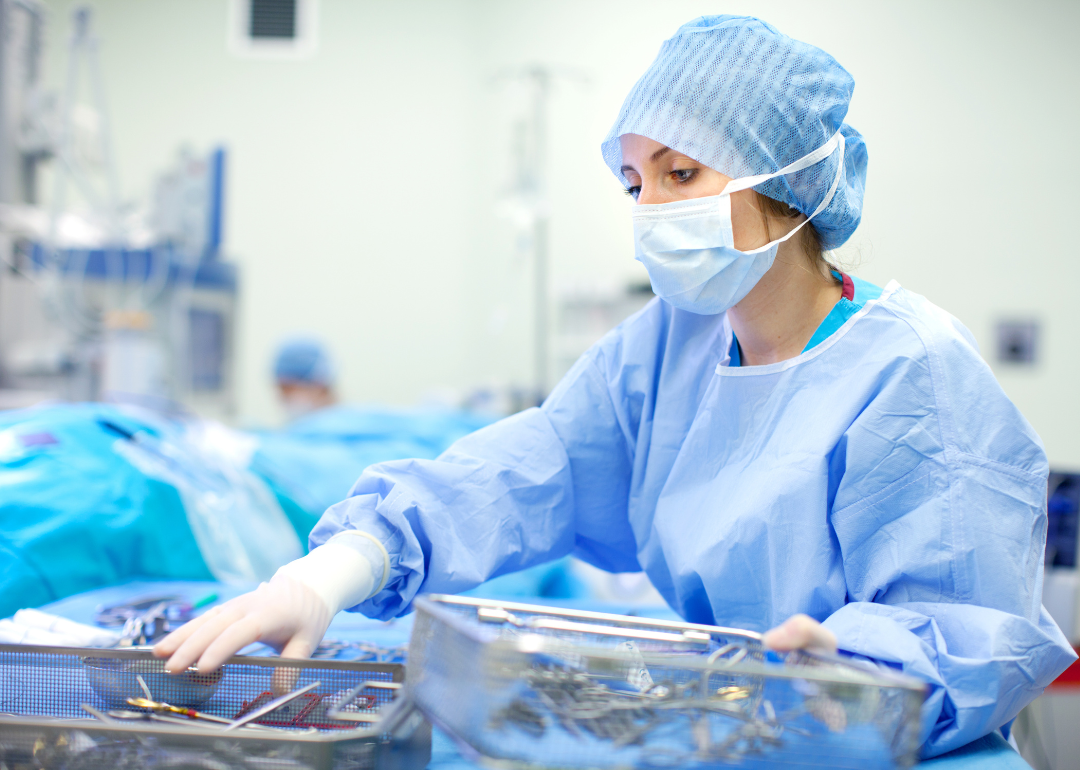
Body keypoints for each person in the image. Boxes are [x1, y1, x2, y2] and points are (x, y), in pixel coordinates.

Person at [156, 16, 1076, 757]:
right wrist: (335, 572)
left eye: (682, 173)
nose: (650, 209)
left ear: (790, 185)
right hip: (737, 729)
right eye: (635, 181)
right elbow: (531, 467)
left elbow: (963, 623)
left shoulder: (914, 373)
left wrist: (856, 669)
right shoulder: (668, 349)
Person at [272, 337, 337, 419]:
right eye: (281, 389)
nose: (283, 396)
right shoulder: (297, 428)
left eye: (289, 388)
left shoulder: (347, 429)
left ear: (318, 384)